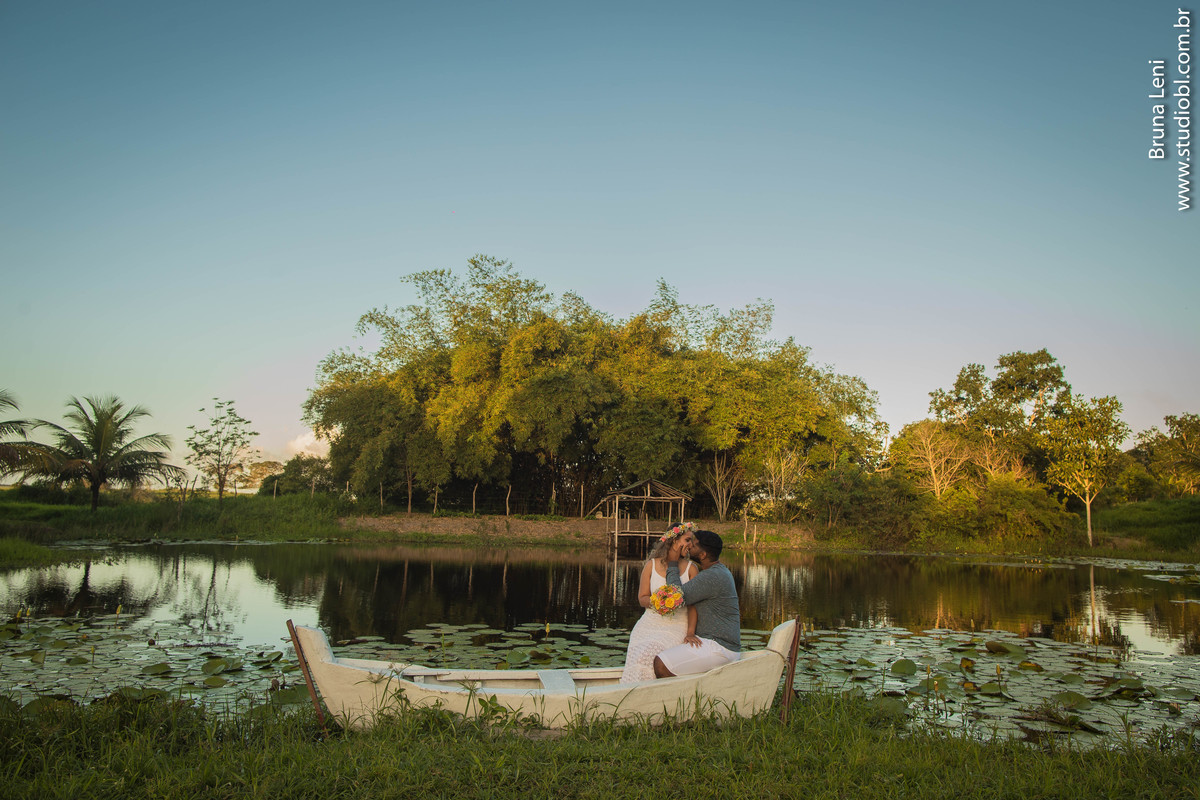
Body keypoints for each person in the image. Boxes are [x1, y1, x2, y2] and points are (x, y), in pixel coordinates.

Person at [619, 523, 700, 683]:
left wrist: (690, 633)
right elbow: (642, 598)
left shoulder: (692, 569)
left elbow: (693, 606)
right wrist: (658, 602)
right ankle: (631, 690)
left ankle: (652, 692)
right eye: (687, 540)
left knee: (651, 651)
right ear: (674, 540)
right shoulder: (651, 565)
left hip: (676, 625)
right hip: (649, 622)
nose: (691, 545)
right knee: (638, 651)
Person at [652, 530, 740, 678]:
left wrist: (672, 563)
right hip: (717, 643)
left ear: (703, 555)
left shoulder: (712, 576)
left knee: (661, 663)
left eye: (694, 544)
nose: (690, 545)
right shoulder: (719, 571)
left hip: (719, 647)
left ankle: (683, 698)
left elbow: (676, 597)